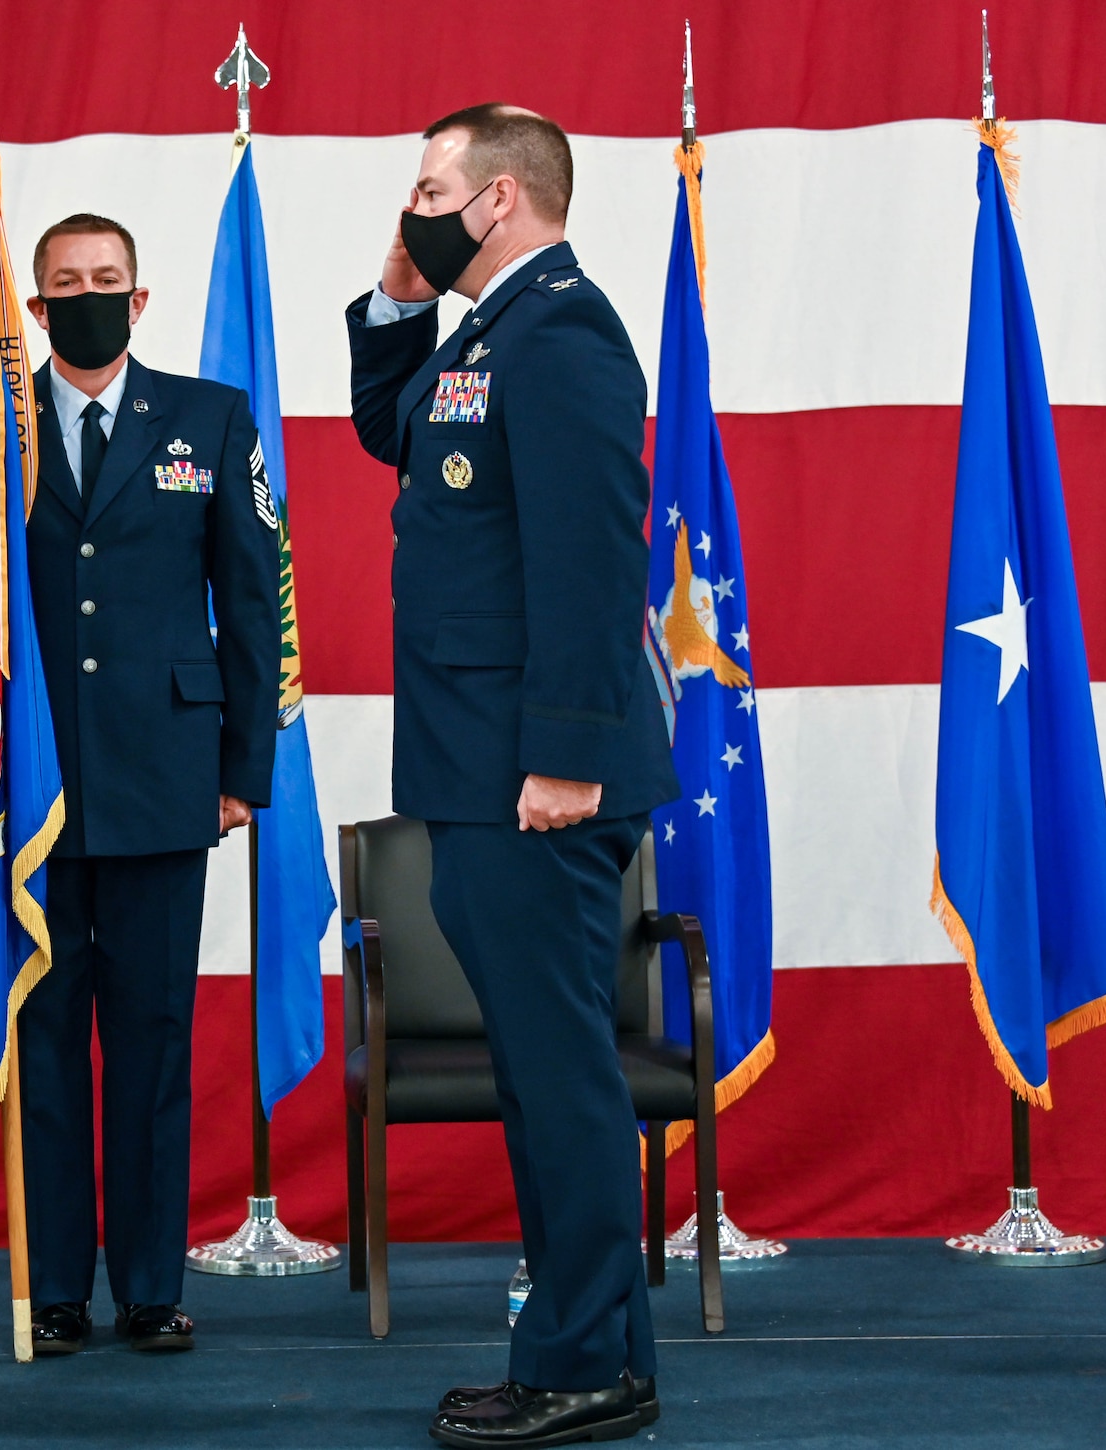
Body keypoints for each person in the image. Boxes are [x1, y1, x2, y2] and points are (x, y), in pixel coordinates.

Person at [345, 107, 680, 1447]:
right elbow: (393, 431)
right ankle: (598, 1350)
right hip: (477, 768)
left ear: (496, 199)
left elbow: (596, 562)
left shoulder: (567, 333)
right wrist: (395, 291)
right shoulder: (489, 334)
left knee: (559, 1076)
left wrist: (564, 757)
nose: (413, 203)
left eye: (428, 188)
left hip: (533, 778)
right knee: (546, 1070)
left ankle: (578, 1362)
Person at [18, 214, 280, 1357]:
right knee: (42, 1046)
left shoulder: (210, 418)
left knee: (151, 1039)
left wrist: (242, 772)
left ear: (138, 299)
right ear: (33, 306)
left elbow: (251, 598)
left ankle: (149, 1284)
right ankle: (57, 1284)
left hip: (166, 771)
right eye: (64, 283)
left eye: (106, 281)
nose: (86, 296)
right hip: (26, 786)